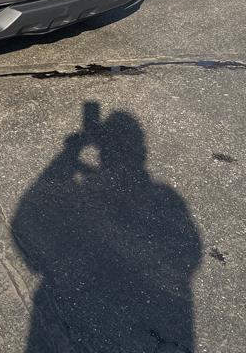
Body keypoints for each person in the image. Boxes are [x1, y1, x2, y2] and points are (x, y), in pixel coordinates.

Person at [11, 103, 202, 352]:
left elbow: (26, 217)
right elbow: (190, 250)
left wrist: (71, 152)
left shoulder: (150, 196)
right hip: (152, 312)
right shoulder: (164, 197)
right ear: (140, 148)